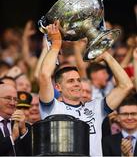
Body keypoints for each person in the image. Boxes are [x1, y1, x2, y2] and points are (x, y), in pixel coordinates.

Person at [38, 21, 133, 156]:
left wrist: (105, 55)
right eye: (70, 81)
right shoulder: (51, 107)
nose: (77, 84)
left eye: (78, 80)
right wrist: (56, 45)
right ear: (58, 87)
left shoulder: (96, 107)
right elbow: (44, 75)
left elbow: (126, 86)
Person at [0, 84, 31, 156]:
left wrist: (23, 130)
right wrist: (12, 137)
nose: (12, 103)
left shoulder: (25, 126)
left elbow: (33, 152)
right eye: (8, 98)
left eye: (15, 99)